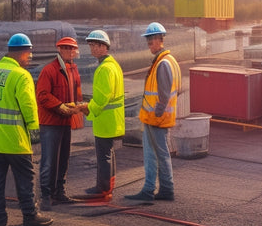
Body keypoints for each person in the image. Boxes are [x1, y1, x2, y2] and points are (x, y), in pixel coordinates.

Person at [0, 33, 53, 226]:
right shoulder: (20, 75)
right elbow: (28, 106)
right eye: (29, 54)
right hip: (14, 140)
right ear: (22, 53)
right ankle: (30, 216)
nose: (30, 58)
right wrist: (35, 133)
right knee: (25, 178)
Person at [125, 22, 181, 202]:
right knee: (154, 154)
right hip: (154, 117)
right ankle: (154, 189)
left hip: (157, 118)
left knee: (158, 154)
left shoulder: (163, 63)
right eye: (148, 39)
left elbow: (164, 95)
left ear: (160, 39)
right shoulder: (166, 61)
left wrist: (157, 113)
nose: (149, 42)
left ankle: (162, 189)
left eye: (152, 39)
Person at [36, 36, 84, 211]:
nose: (72, 52)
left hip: (65, 121)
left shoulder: (72, 69)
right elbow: (42, 95)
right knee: (49, 160)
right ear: (60, 50)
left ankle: (59, 192)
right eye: (68, 49)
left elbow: (76, 94)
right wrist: (59, 106)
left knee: (63, 158)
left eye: (73, 49)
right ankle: (46, 196)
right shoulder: (49, 70)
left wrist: (80, 106)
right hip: (51, 123)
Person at [77, 29, 125, 201]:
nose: (93, 49)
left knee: (103, 154)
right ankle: (108, 187)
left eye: (97, 45)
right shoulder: (113, 65)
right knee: (108, 153)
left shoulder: (104, 69)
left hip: (105, 120)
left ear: (105, 47)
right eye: (91, 45)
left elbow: (102, 98)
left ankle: (102, 189)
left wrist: (87, 108)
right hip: (113, 119)